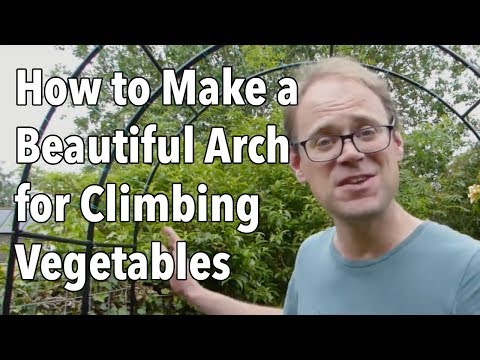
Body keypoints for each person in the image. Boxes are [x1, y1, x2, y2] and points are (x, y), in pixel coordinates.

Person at [161, 56, 480, 315]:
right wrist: (194, 292)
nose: (352, 153)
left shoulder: (468, 269)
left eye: (367, 131)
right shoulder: (311, 255)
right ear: (298, 164)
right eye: (325, 140)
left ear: (396, 143)